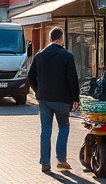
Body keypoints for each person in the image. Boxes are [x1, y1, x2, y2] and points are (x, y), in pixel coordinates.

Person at [28, 27, 79, 173]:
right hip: (62, 100)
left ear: (50, 39)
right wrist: (75, 98)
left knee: (45, 130)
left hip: (44, 99)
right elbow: (73, 79)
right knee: (64, 127)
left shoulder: (39, 56)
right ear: (61, 39)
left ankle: (45, 163)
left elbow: (31, 76)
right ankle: (62, 160)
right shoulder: (67, 56)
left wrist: (38, 91)